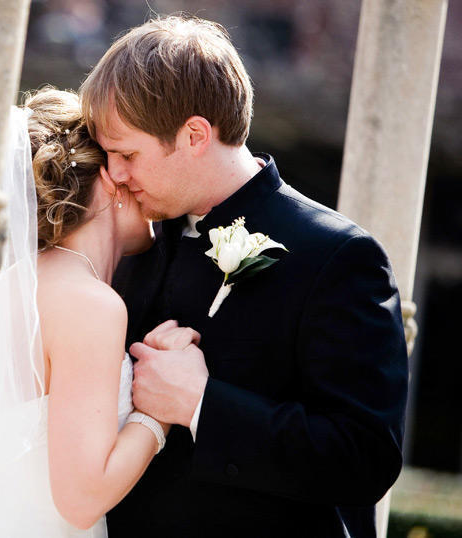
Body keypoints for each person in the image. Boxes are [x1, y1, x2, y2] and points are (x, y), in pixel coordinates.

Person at [79, 14, 409, 538]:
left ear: (193, 135)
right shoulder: (133, 239)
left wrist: (202, 404)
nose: (115, 174)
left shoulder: (338, 256)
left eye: (126, 154)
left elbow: (364, 458)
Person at [0, 88, 195, 537]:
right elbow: (82, 499)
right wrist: (156, 412)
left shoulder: (14, 284)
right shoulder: (89, 304)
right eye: (123, 160)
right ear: (107, 182)